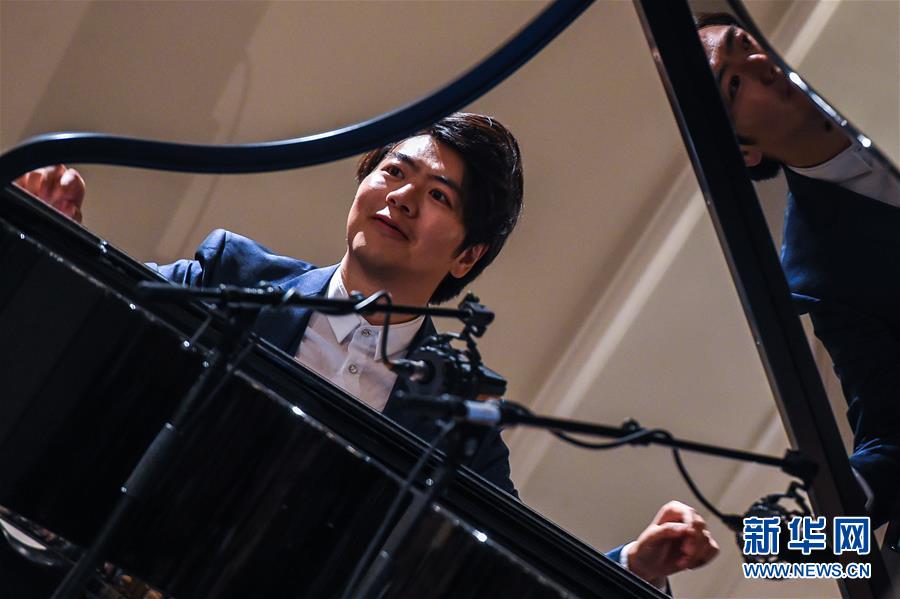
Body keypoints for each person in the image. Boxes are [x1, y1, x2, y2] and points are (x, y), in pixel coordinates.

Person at [14, 112, 718, 588]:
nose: (403, 197)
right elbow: (84, 345)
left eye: (439, 195)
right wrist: (47, 239)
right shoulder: (234, 275)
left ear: (467, 256)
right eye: (394, 172)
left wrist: (635, 567)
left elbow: (504, 576)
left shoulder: (457, 417)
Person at [696, 13, 900, 527]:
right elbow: (892, 430)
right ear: (745, 151)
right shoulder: (820, 271)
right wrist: (837, 499)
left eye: (746, 42)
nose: (762, 62)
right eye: (734, 84)